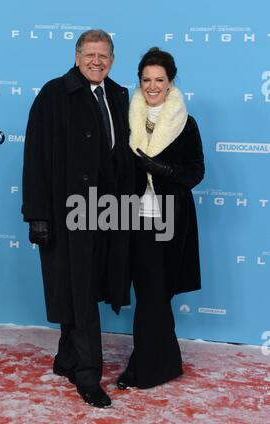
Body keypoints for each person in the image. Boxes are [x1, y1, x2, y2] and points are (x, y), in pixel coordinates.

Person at [22, 30, 134, 408]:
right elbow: (35, 157)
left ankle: (67, 357)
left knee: (84, 287)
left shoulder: (119, 95)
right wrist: (36, 215)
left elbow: (124, 156)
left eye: (104, 55)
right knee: (80, 293)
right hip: (66, 212)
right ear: (76, 56)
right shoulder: (54, 94)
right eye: (90, 54)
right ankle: (88, 375)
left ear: (112, 60)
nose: (96, 61)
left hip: (107, 213)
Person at [116, 47, 205, 390]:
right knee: (148, 294)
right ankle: (157, 364)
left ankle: (145, 367)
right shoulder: (126, 118)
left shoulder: (185, 122)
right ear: (139, 82)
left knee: (157, 294)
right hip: (132, 217)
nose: (152, 86)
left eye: (159, 80)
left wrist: (162, 168)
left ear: (171, 82)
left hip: (170, 218)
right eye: (146, 80)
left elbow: (196, 173)